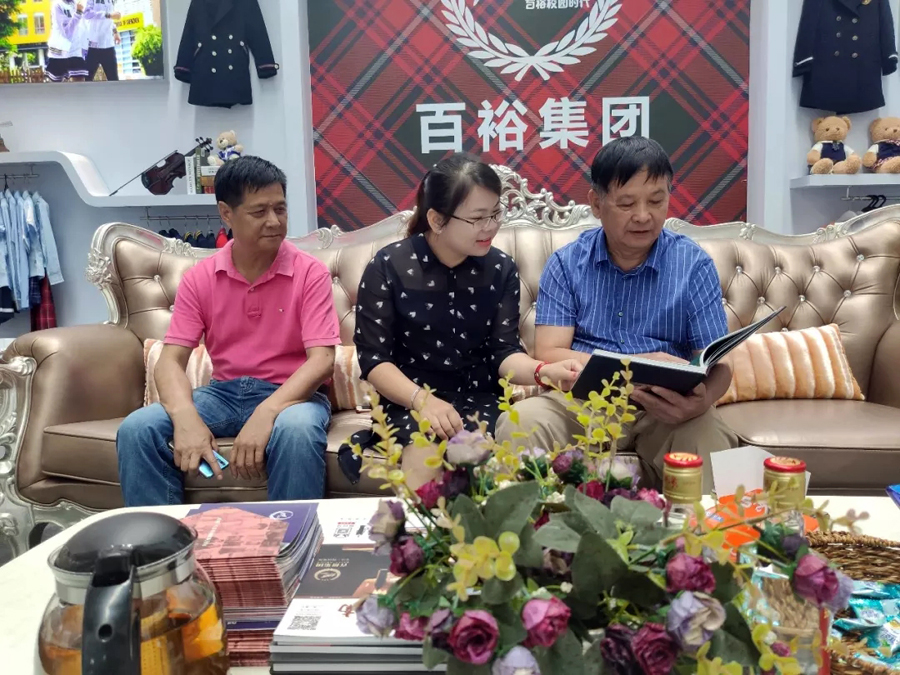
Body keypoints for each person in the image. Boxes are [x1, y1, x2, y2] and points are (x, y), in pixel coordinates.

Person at [495, 137, 739, 489]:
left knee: (709, 440)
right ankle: (529, 523)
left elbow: (719, 363)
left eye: (656, 201)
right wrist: (636, 363)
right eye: (626, 203)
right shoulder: (566, 263)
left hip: (664, 409)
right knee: (522, 421)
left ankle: (700, 528)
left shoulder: (693, 264)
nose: (643, 216)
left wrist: (700, 404)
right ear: (596, 203)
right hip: (583, 403)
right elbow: (548, 352)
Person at [338, 153, 582, 488]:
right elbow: (375, 360)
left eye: (495, 213)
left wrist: (543, 372)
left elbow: (503, 352)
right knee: (423, 456)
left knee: (499, 469)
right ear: (437, 220)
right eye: (478, 218)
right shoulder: (388, 267)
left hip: (482, 400)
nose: (491, 227)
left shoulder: (500, 268)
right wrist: (423, 401)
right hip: (410, 400)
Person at [116, 156, 340, 506]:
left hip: (293, 396)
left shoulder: (310, 272)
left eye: (280, 209)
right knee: (137, 428)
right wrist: (185, 417)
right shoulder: (200, 278)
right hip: (222, 394)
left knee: (297, 430)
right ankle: (162, 539)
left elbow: (322, 361)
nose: (274, 221)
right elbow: (170, 361)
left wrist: (267, 412)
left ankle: (293, 537)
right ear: (226, 213)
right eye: (259, 211)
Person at [46, 0, 90, 82]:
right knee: (56, 86)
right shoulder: (57, 5)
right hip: (58, 52)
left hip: (75, 51)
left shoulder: (76, 4)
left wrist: (84, 47)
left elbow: (83, 29)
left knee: (80, 84)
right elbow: (66, 32)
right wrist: (78, 13)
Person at [83, 0, 122, 81]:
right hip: (94, 46)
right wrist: (108, 15)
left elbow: (110, 20)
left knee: (114, 80)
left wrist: (115, 32)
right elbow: (87, 14)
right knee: (87, 80)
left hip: (108, 45)